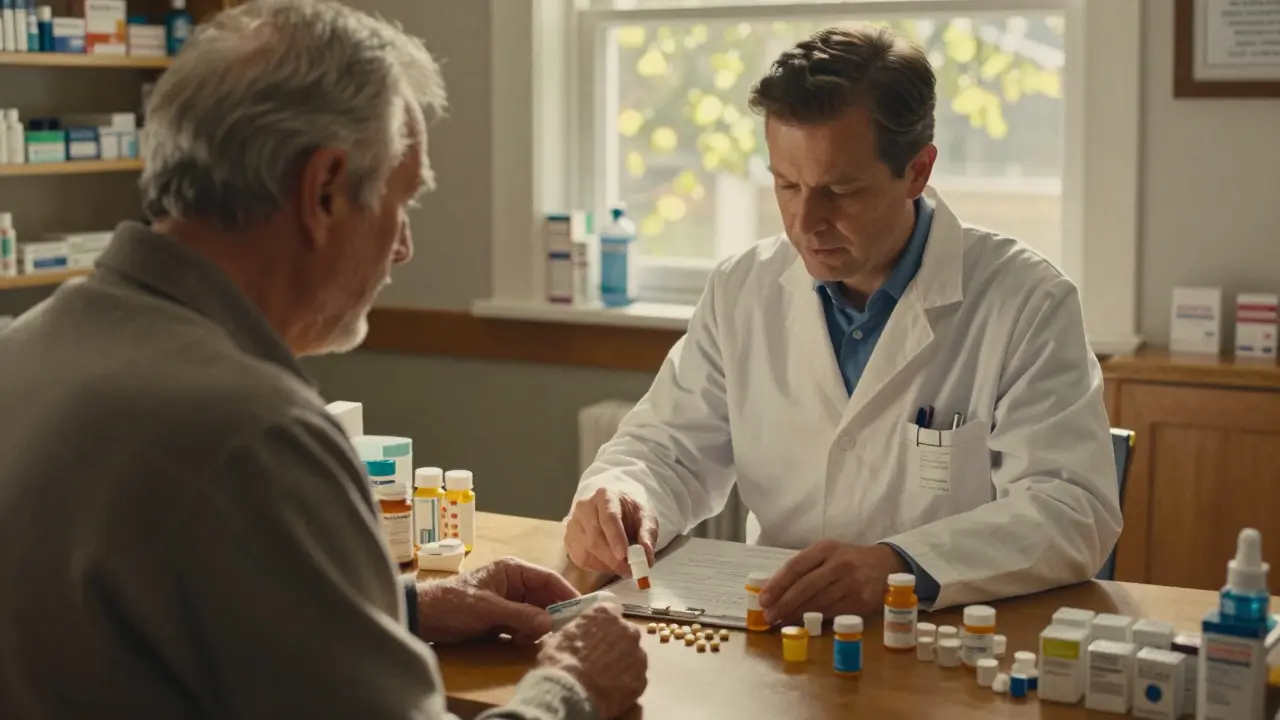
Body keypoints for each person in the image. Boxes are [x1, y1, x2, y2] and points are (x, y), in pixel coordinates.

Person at [0, 1, 645, 718]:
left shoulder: (26, 346)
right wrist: (572, 691)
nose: (402, 247)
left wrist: (390, 608)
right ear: (325, 191)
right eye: (402, 203)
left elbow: (151, 621)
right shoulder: (254, 434)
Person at [565, 25, 1122, 620]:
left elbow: (1071, 510)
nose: (806, 221)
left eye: (840, 191)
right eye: (787, 185)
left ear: (917, 170)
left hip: (943, 637)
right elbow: (667, 447)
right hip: (773, 636)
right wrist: (626, 493)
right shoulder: (742, 290)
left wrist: (899, 566)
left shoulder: (1027, 302)